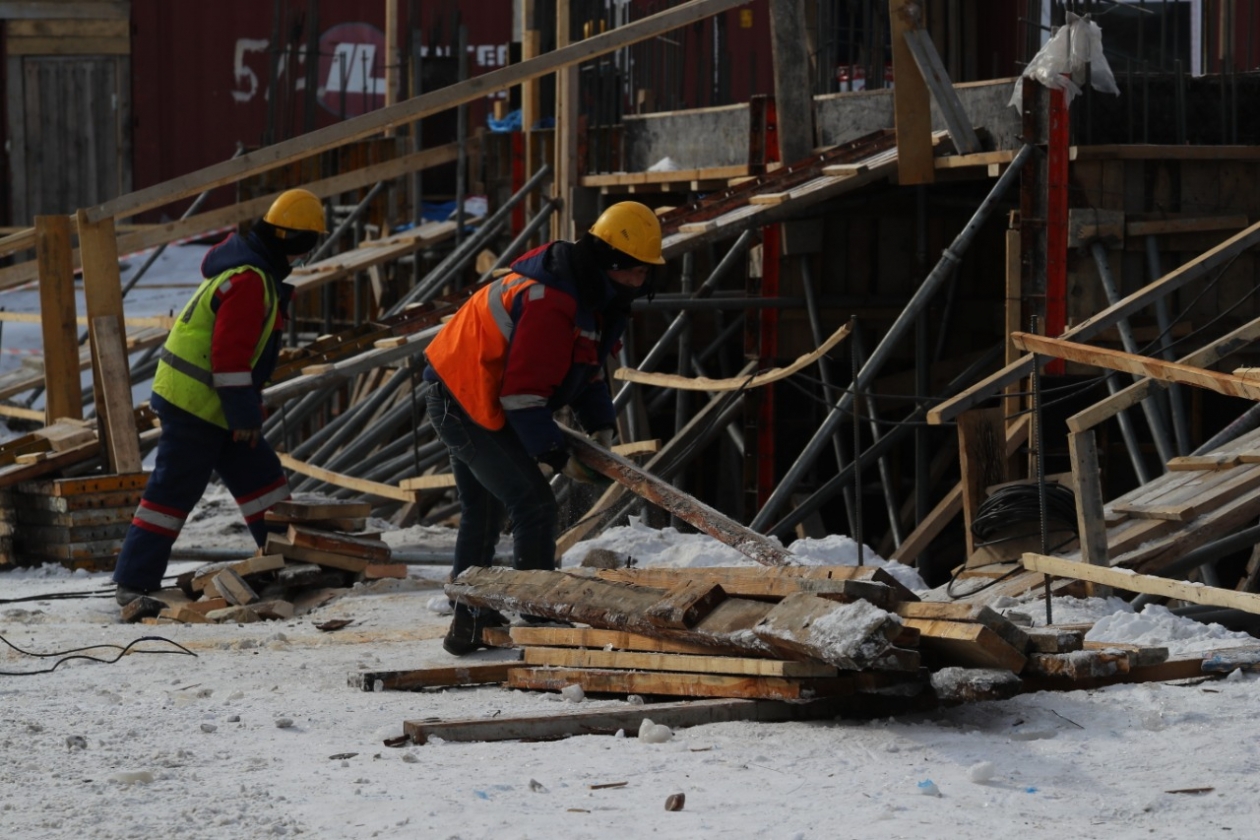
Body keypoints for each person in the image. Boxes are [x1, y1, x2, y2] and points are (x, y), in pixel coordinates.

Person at [424, 200, 666, 655]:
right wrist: (555, 456)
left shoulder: (589, 297)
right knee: (533, 504)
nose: (643, 281)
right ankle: (540, 617)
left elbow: (587, 368)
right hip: (463, 399)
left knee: (486, 509)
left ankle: (469, 620)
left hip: (475, 393)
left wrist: (601, 425)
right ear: (612, 264)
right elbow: (523, 395)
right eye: (637, 271)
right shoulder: (552, 300)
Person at [112, 188, 327, 607]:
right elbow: (228, 359)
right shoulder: (250, 282)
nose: (302, 261)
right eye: (304, 251)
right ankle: (134, 583)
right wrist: (244, 415)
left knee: (263, 481)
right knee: (171, 495)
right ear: (294, 244)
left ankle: (287, 562)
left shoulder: (245, 273)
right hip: (197, 406)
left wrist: (242, 413)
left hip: (212, 405)